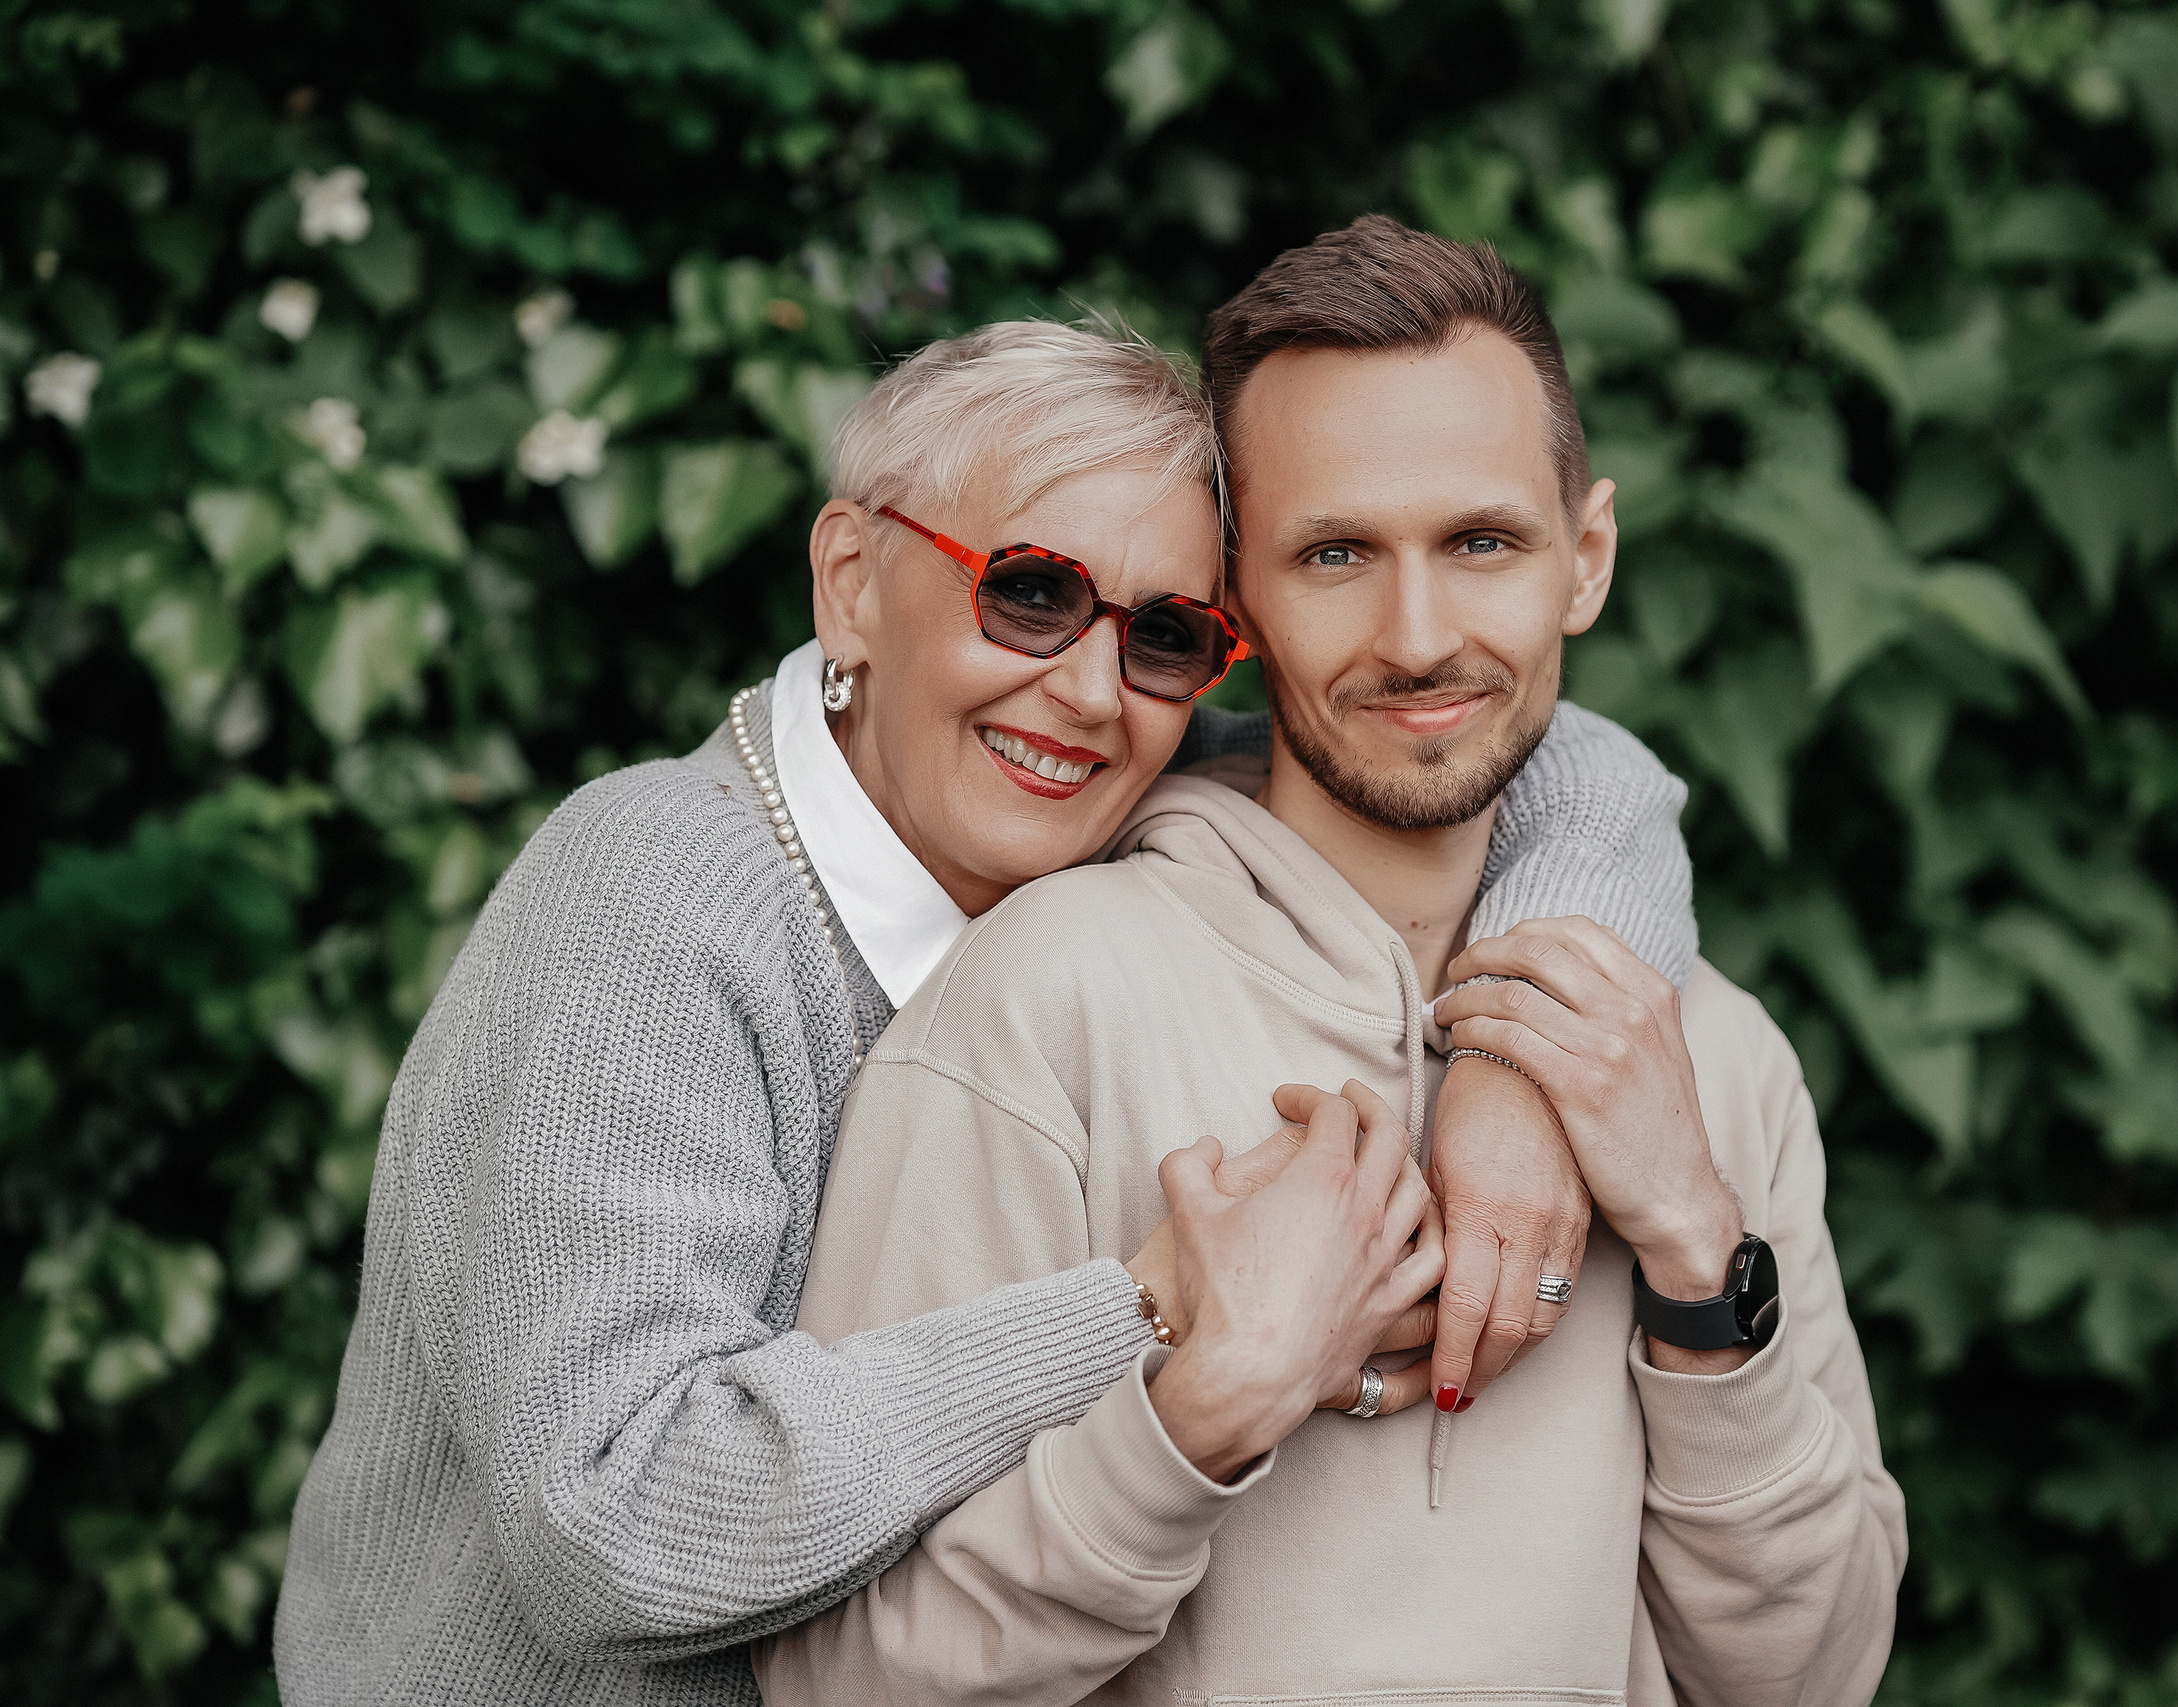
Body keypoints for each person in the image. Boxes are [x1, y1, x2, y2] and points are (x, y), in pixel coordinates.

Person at [276, 319, 1700, 1704]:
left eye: (1163, 632)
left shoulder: (1131, 780)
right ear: (850, 581)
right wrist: (1162, 1305)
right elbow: (614, 1525)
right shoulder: (653, 900)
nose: (1086, 691)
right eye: (1026, 592)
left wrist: (1512, 1073)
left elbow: (1574, 766)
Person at [754, 218, 1906, 1707]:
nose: (1418, 637)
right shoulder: (1052, 999)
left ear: (1588, 558)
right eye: (1336, 555)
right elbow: (841, 1686)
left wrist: (1695, 1255)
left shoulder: (1707, 1057)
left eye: (1482, 543)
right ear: (1234, 602)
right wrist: (1199, 1418)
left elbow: (1814, 1679)